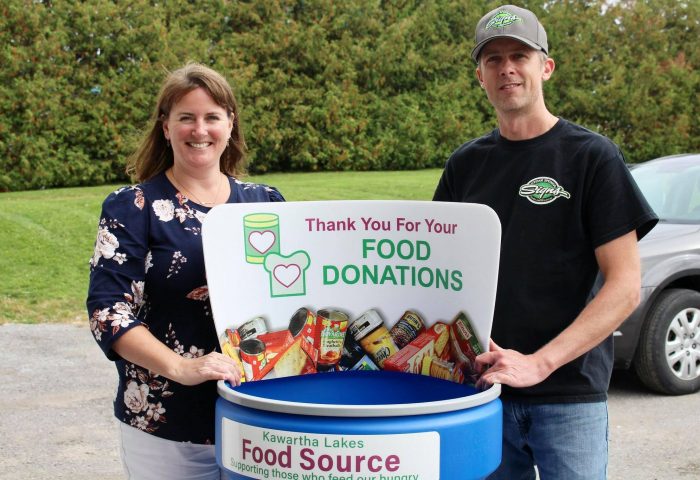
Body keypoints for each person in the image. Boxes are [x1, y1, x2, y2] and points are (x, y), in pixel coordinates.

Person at [433, 5, 657, 479]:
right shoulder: (464, 165)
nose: (506, 68)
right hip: (485, 392)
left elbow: (625, 286)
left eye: (519, 55)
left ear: (546, 67)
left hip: (568, 394)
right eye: (493, 59)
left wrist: (539, 363)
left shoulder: (592, 157)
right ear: (480, 76)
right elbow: (438, 276)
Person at [87, 62, 284, 479]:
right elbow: (109, 313)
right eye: (186, 118)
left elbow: (297, 297)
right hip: (168, 424)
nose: (200, 130)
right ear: (165, 127)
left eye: (212, 117)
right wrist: (181, 367)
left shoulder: (265, 204)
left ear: (230, 125)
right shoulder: (133, 207)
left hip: (263, 419)